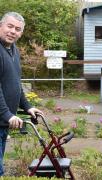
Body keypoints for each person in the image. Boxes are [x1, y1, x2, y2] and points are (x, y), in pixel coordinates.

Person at [0, 12, 43, 176]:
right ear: (0, 26)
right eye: (9, 26)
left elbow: (15, 83)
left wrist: (27, 106)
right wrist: (7, 114)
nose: (13, 31)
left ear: (21, 33)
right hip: (4, 118)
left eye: (17, 29)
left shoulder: (14, 51)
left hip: (3, 122)